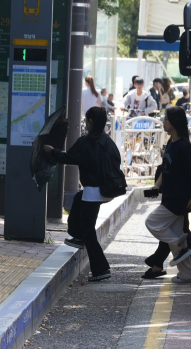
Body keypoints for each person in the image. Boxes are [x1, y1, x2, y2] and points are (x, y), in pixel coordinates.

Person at [43, 107, 116, 282]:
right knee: (77, 199)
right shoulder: (108, 142)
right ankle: (77, 236)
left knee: (88, 230)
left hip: (93, 191)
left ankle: (100, 268)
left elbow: (68, 158)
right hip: (107, 189)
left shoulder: (86, 142)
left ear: (90, 121)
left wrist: (51, 151)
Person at [145, 106, 191, 283]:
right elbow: (165, 169)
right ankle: (188, 273)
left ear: (174, 123)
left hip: (179, 198)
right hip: (169, 195)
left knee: (152, 222)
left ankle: (180, 246)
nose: (163, 122)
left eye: (166, 120)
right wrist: (156, 186)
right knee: (176, 235)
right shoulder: (171, 142)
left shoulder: (184, 146)